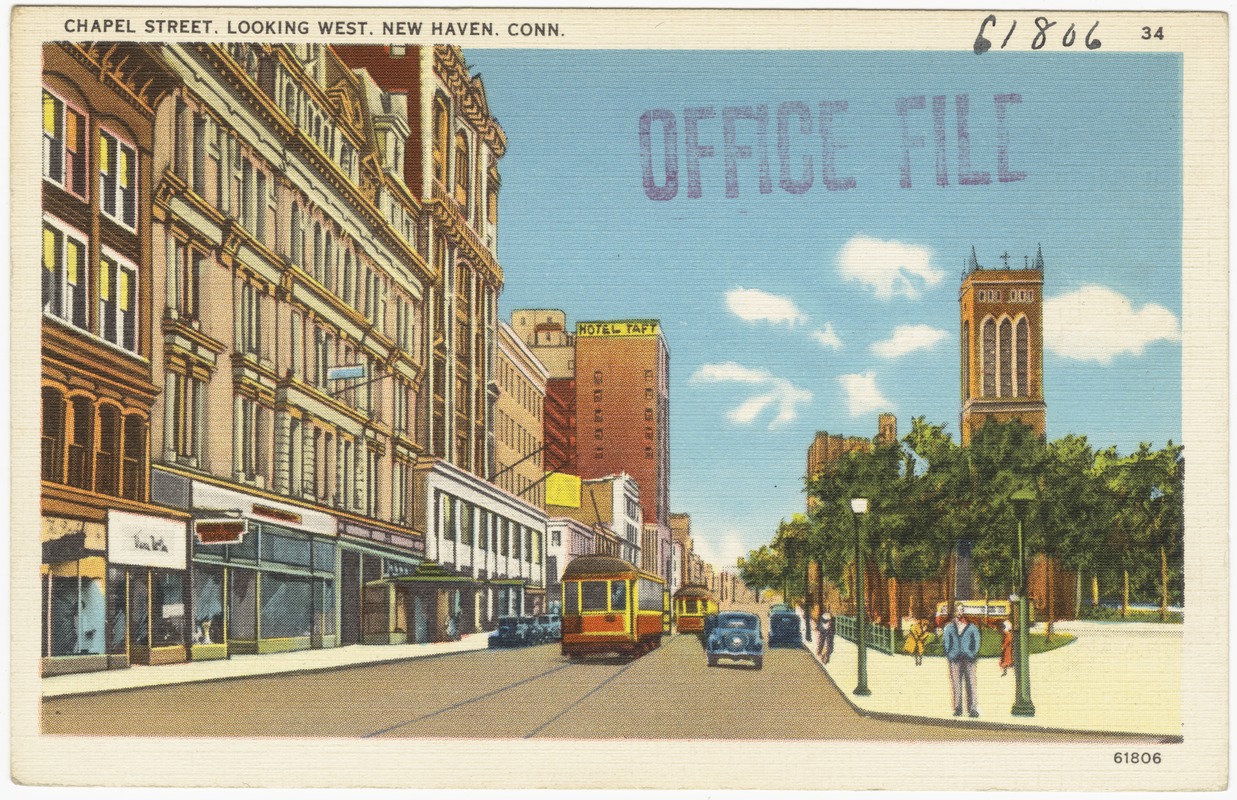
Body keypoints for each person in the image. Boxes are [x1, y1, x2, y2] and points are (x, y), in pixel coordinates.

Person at [942, 602, 981, 717]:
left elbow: (977, 642)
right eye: (958, 610)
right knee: (956, 684)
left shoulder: (972, 627)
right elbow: (946, 643)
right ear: (954, 611)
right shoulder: (949, 627)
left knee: (971, 684)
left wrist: (973, 653)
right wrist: (950, 655)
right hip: (955, 659)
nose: (960, 612)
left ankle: (972, 709)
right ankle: (958, 708)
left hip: (969, 659)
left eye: (962, 610)